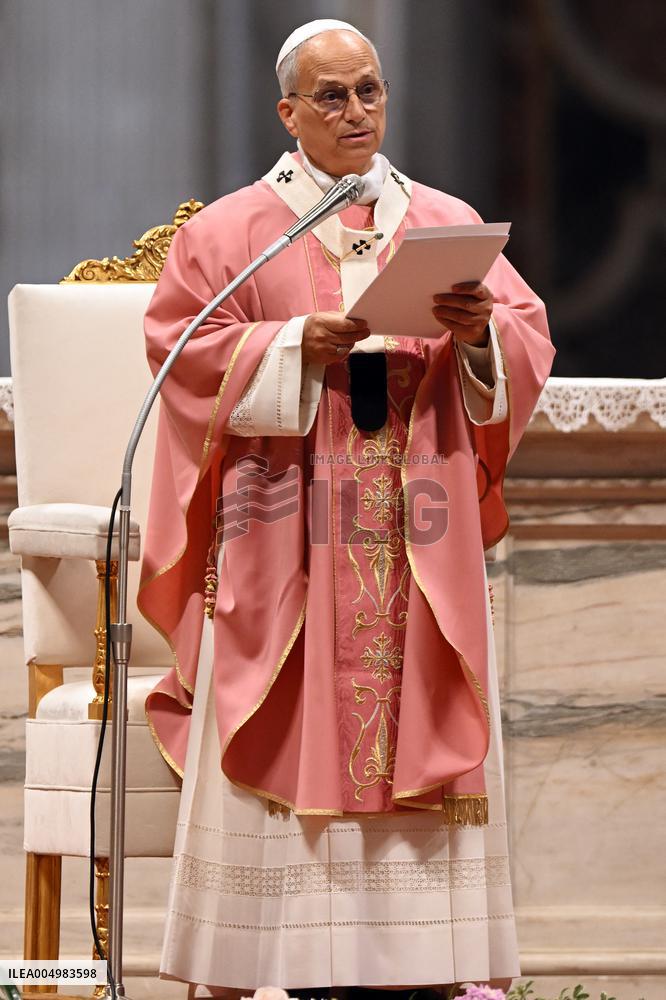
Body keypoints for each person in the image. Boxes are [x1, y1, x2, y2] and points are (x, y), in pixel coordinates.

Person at [139, 18, 555, 999]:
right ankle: (277, 964)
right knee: (292, 715)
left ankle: (422, 969)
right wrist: (292, 348)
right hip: (288, 531)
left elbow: (523, 338)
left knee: (414, 716)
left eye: (369, 91)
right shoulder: (234, 232)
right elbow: (179, 350)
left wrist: (481, 333)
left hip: (417, 529)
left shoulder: (443, 220)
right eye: (333, 96)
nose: (357, 112)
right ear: (289, 112)